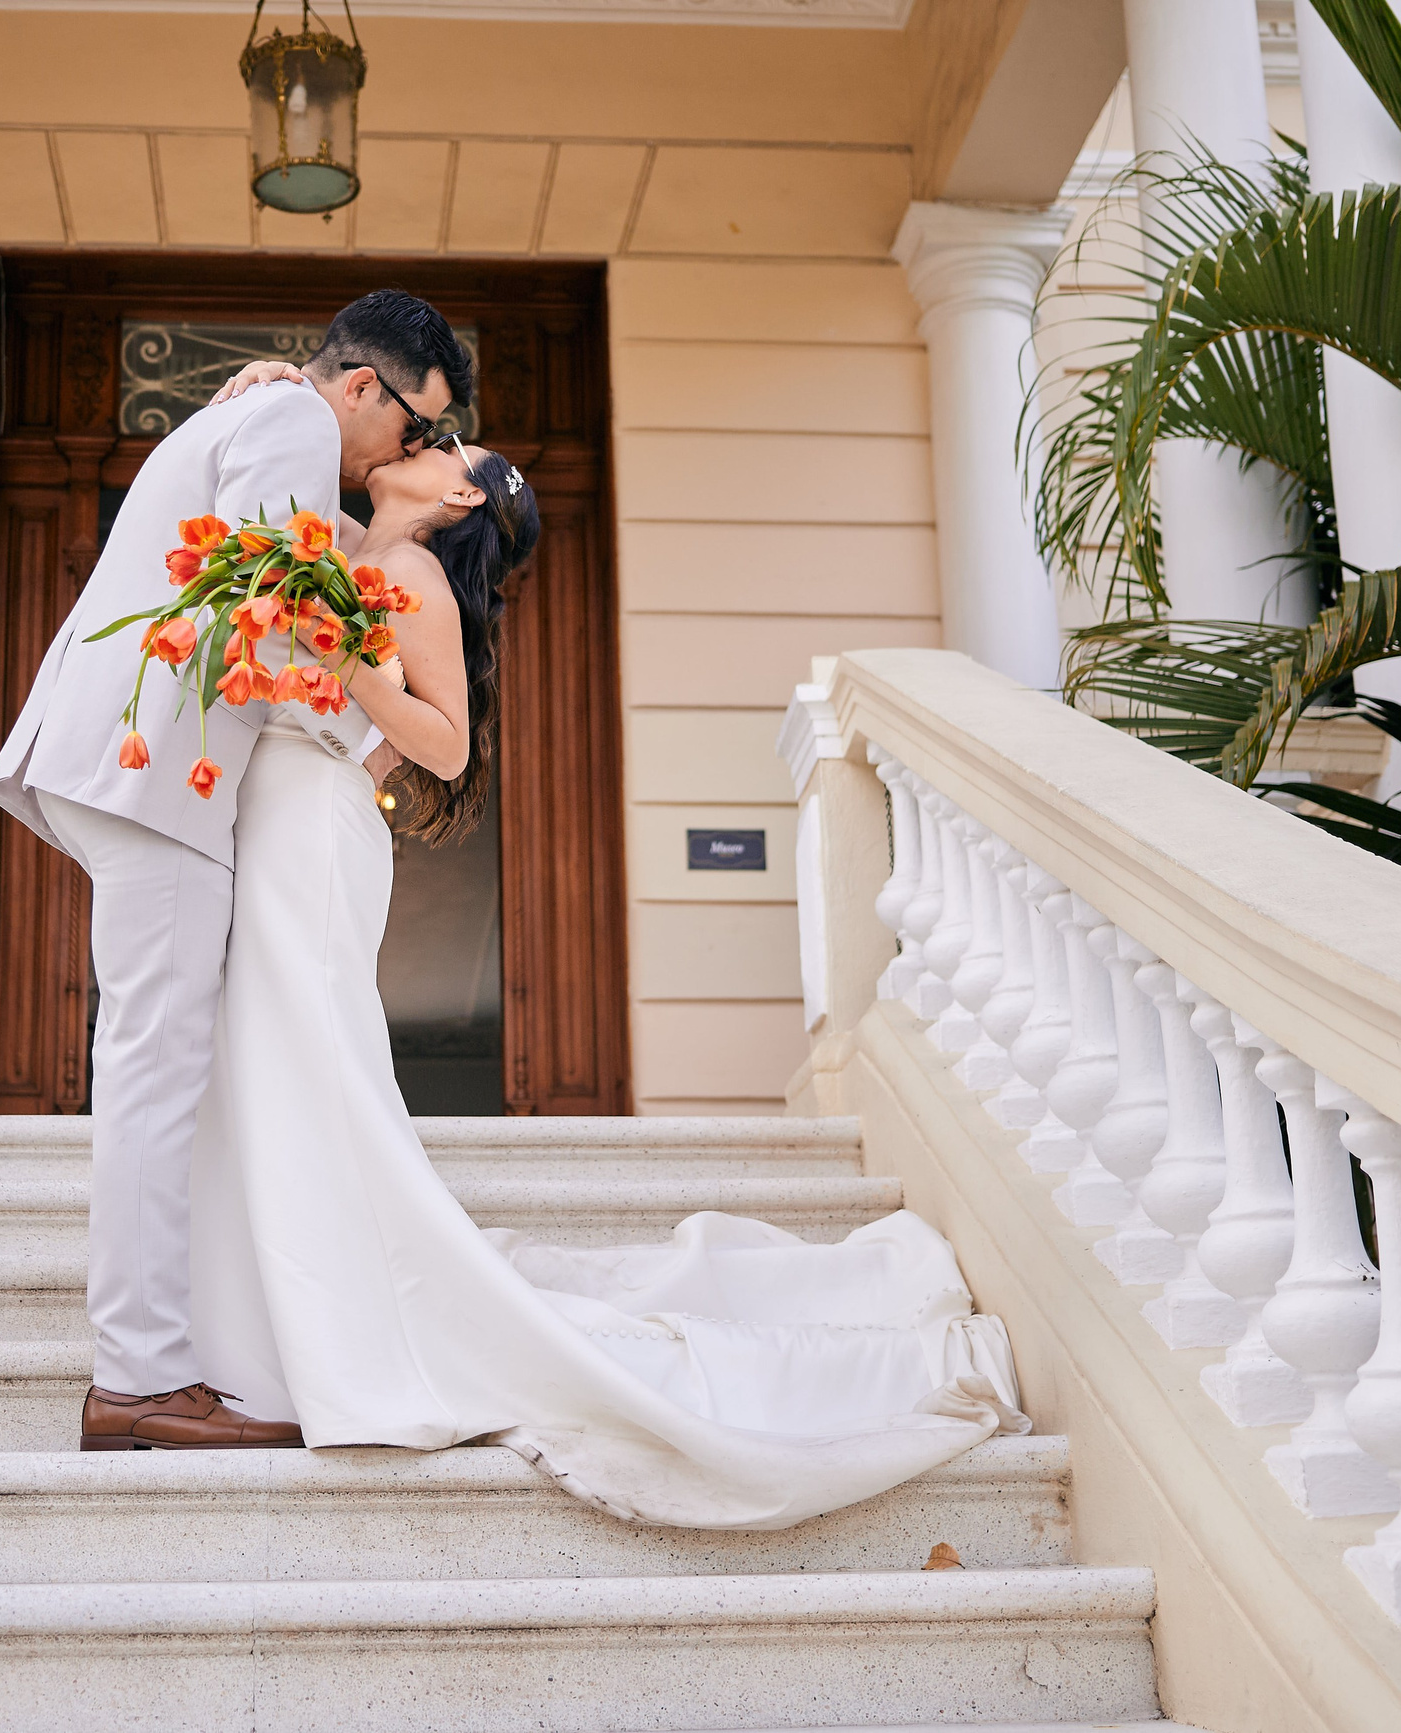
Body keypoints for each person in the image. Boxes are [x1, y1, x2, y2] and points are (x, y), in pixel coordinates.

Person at [177, 379, 1030, 1528]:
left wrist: (343, 665)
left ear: (458, 494)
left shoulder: (414, 575)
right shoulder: (332, 540)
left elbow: (438, 737)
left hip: (316, 838)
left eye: (445, 445)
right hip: (279, 814)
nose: (420, 443)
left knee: (309, 1062)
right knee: (274, 1064)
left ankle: (335, 1322)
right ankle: (273, 1316)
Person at [0, 290, 473, 1450]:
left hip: (151, 762)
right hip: (161, 768)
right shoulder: (294, 424)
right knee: (155, 1068)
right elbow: (271, 602)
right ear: (363, 388)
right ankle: (138, 1375)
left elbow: (272, 589)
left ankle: (162, 1354)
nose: (405, 454)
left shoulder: (267, 414)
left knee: (166, 1063)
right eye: (411, 428)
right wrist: (369, 747)